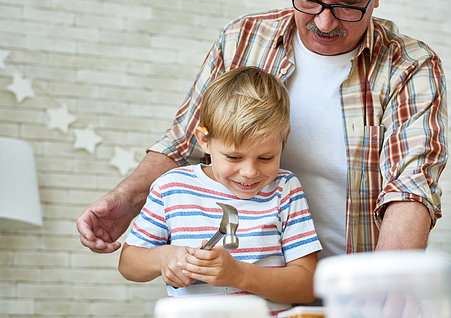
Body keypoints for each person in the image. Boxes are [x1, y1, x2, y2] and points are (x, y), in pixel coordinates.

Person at [78, 0, 447, 261]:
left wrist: (386, 284)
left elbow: (409, 187)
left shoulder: (410, 65)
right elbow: (185, 142)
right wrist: (129, 197)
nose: (323, 21)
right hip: (248, 285)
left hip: (351, 284)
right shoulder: (245, 39)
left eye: (347, 7)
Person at [118, 66, 322, 316]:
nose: (249, 172)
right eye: (234, 156)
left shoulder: (284, 189)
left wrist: (239, 275)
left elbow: (308, 285)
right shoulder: (171, 187)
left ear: (283, 142)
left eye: (266, 157)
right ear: (205, 141)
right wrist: (164, 258)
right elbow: (128, 263)